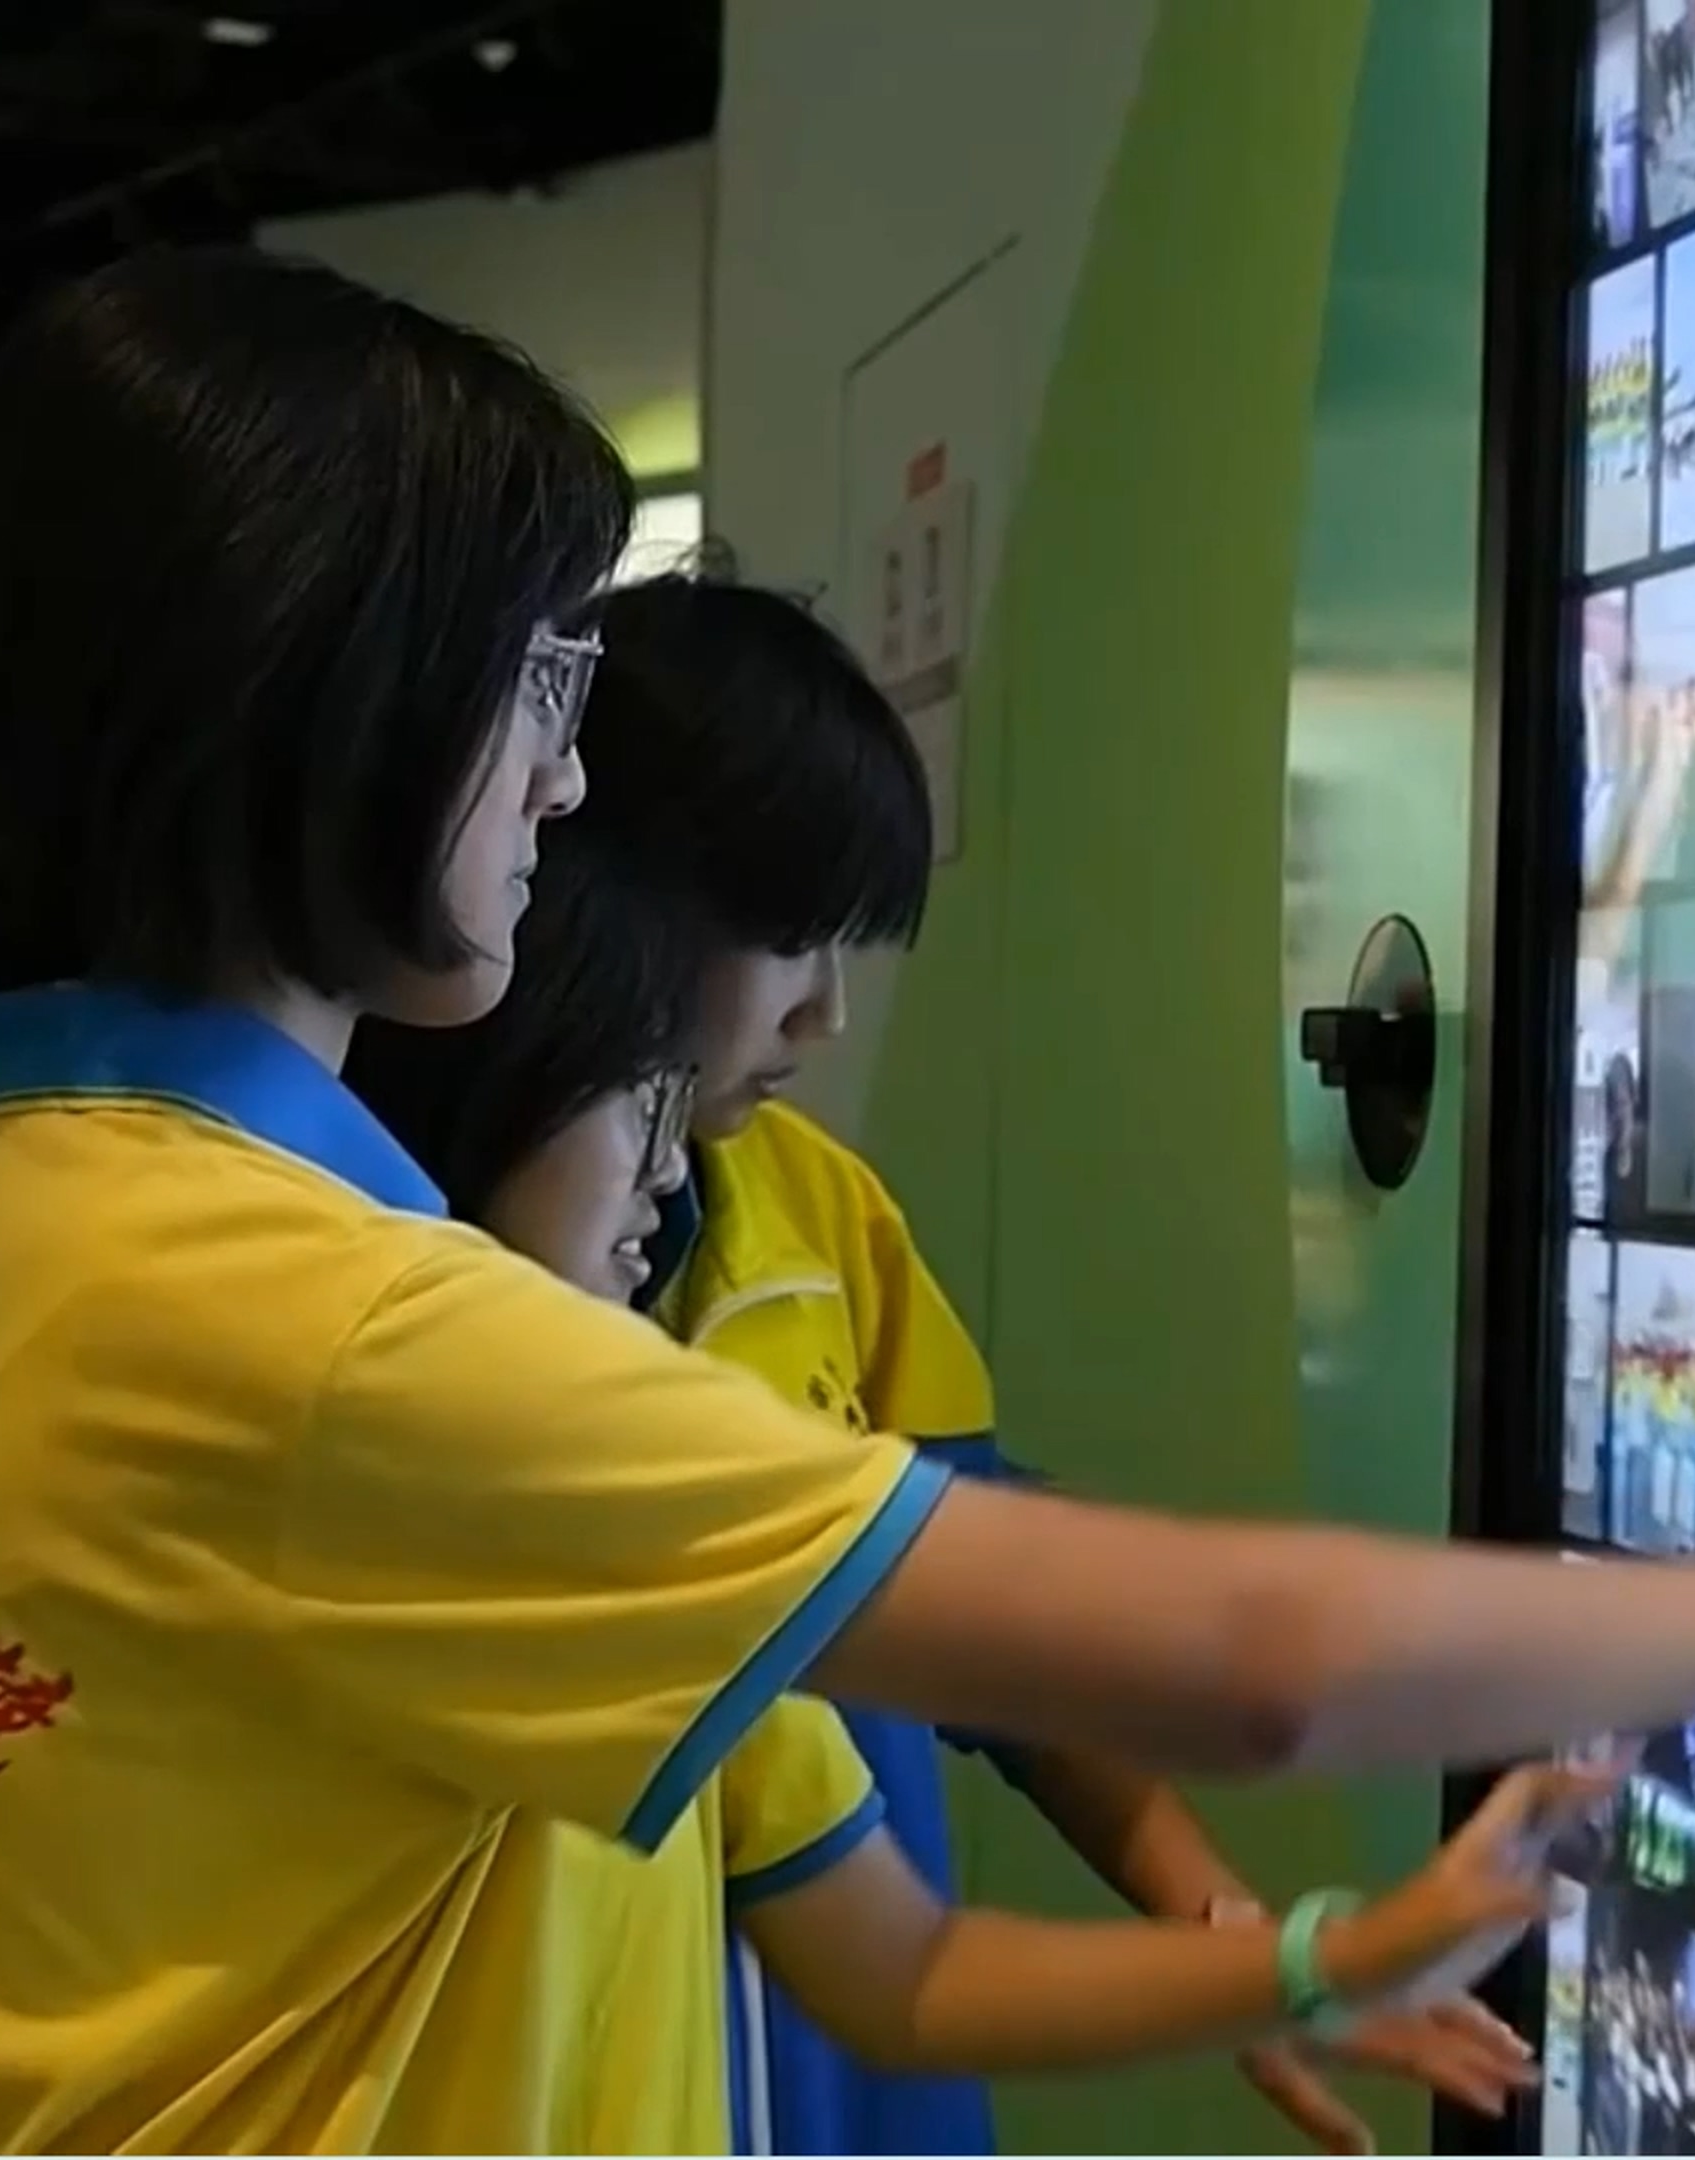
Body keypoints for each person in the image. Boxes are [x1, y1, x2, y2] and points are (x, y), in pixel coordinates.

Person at [0, 249, 1695, 2157]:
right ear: (328, 702)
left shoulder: (63, 1192)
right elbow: (1254, 1670)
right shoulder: (331, 1327)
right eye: (537, 678)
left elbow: (896, 1950)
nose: (562, 775)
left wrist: (1308, 1954)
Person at [348, 577, 1530, 2153]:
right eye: (791, 942)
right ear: (601, 899)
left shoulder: (823, 1225)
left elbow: (1005, 1653)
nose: (826, 1016)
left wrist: (1230, 1934)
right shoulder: (380, 1317)